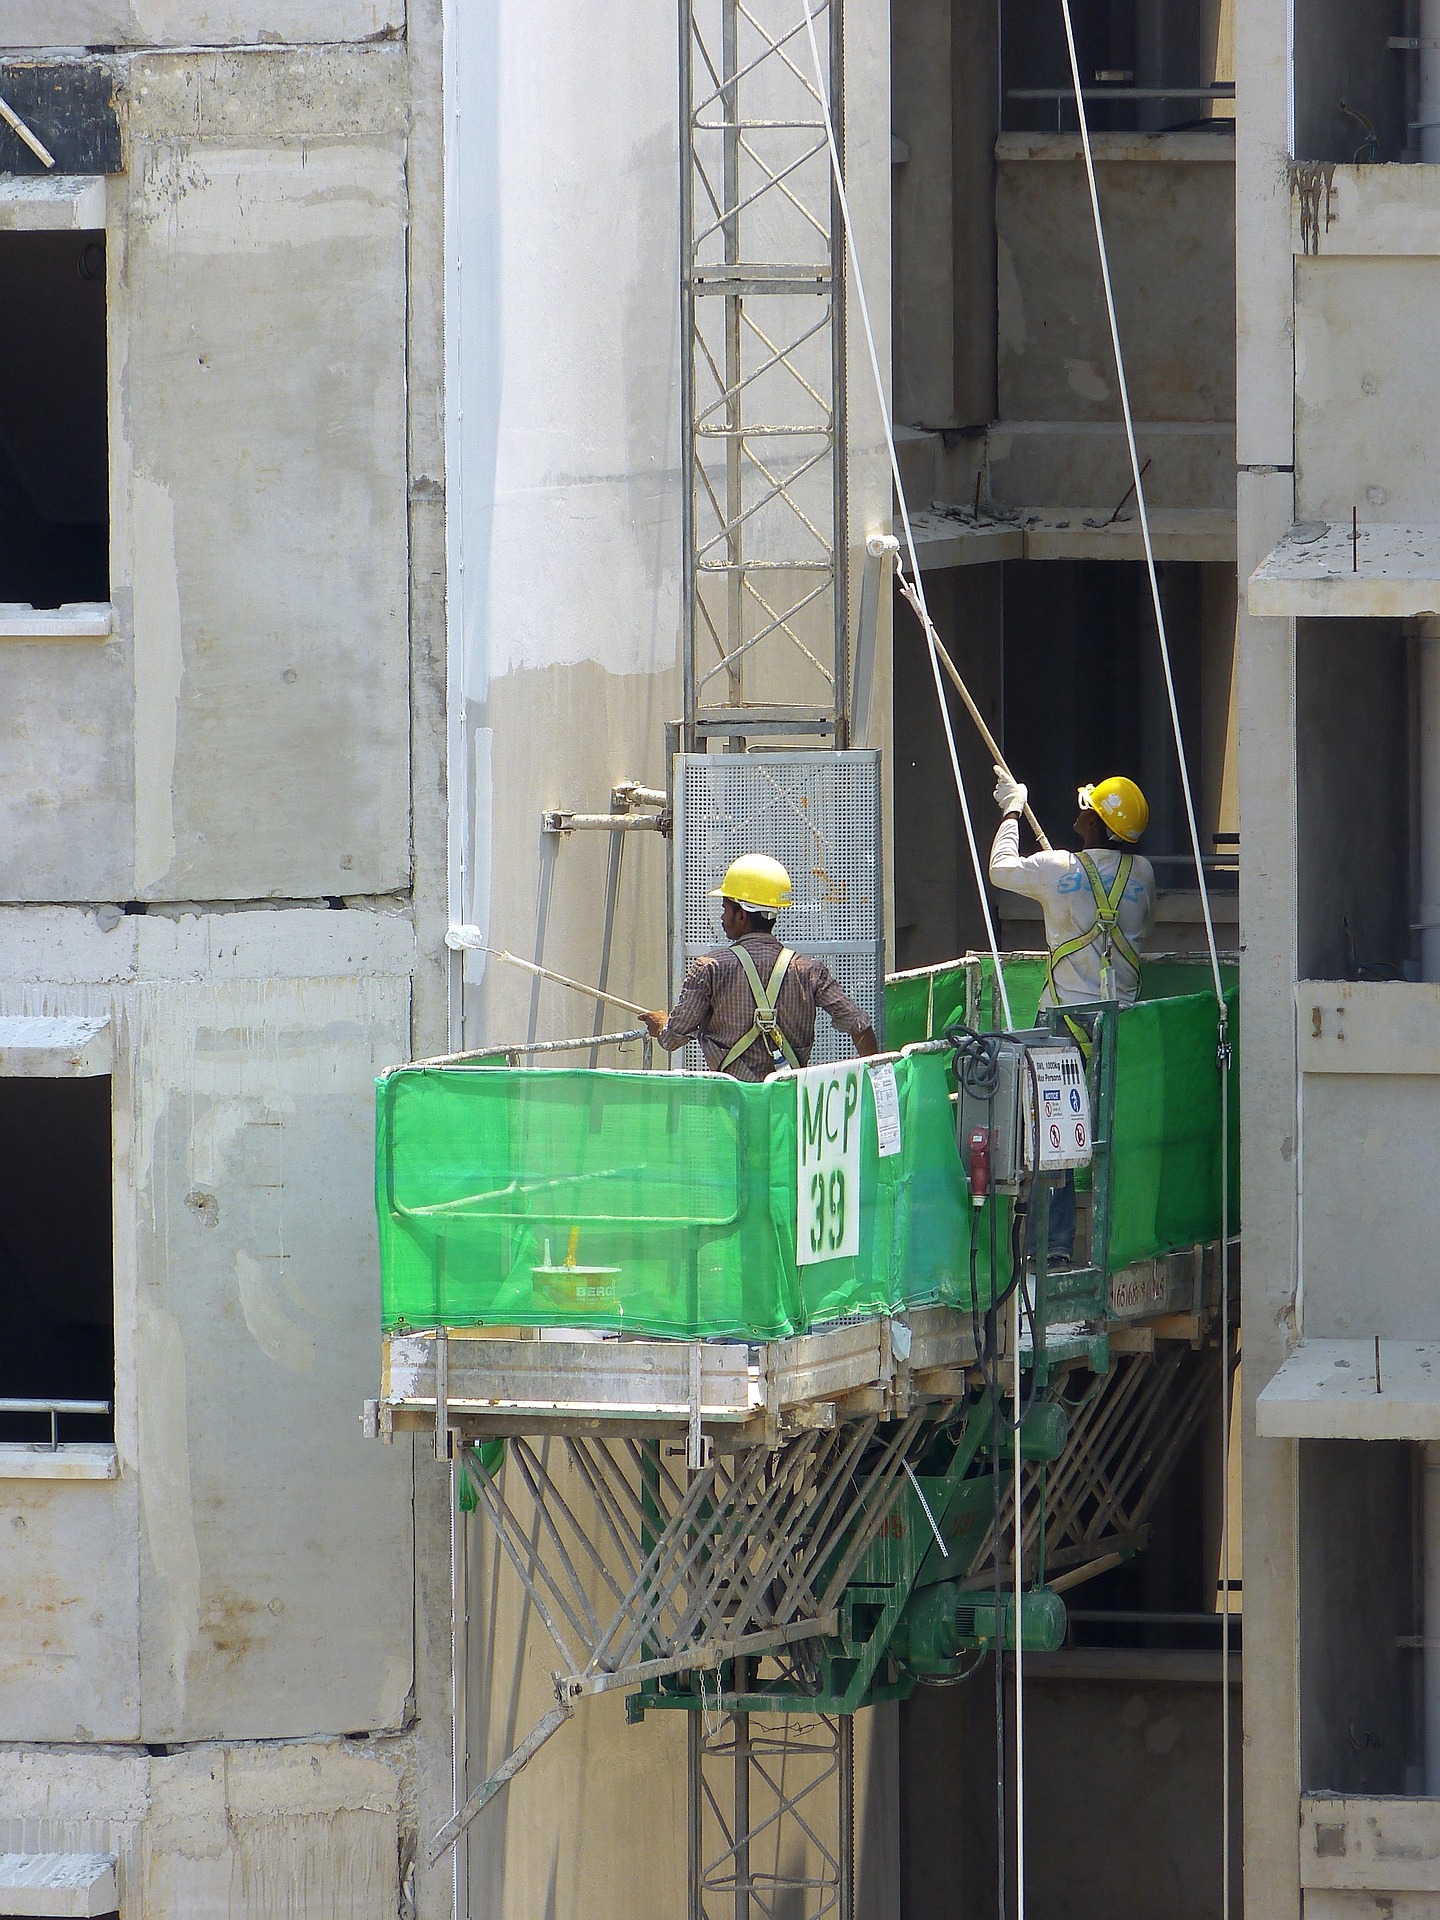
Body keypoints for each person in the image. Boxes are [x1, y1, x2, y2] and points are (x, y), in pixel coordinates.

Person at [988, 766, 1156, 1265]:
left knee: (1053, 1137)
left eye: (1087, 810)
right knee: (1111, 1135)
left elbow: (1000, 868)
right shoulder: (1142, 875)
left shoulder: (1059, 868)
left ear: (1097, 823)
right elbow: (1141, 923)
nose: (1078, 813)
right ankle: (1117, 1247)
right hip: (1119, 1023)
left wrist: (1013, 810)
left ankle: (1054, 1250)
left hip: (1063, 1023)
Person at [643, 854, 880, 1081]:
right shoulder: (809, 971)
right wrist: (874, 1080)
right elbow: (860, 1024)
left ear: (742, 915)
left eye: (725, 908)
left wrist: (662, 1025)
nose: (722, 918)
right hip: (787, 1103)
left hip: (734, 1105)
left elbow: (672, 1039)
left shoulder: (710, 969)